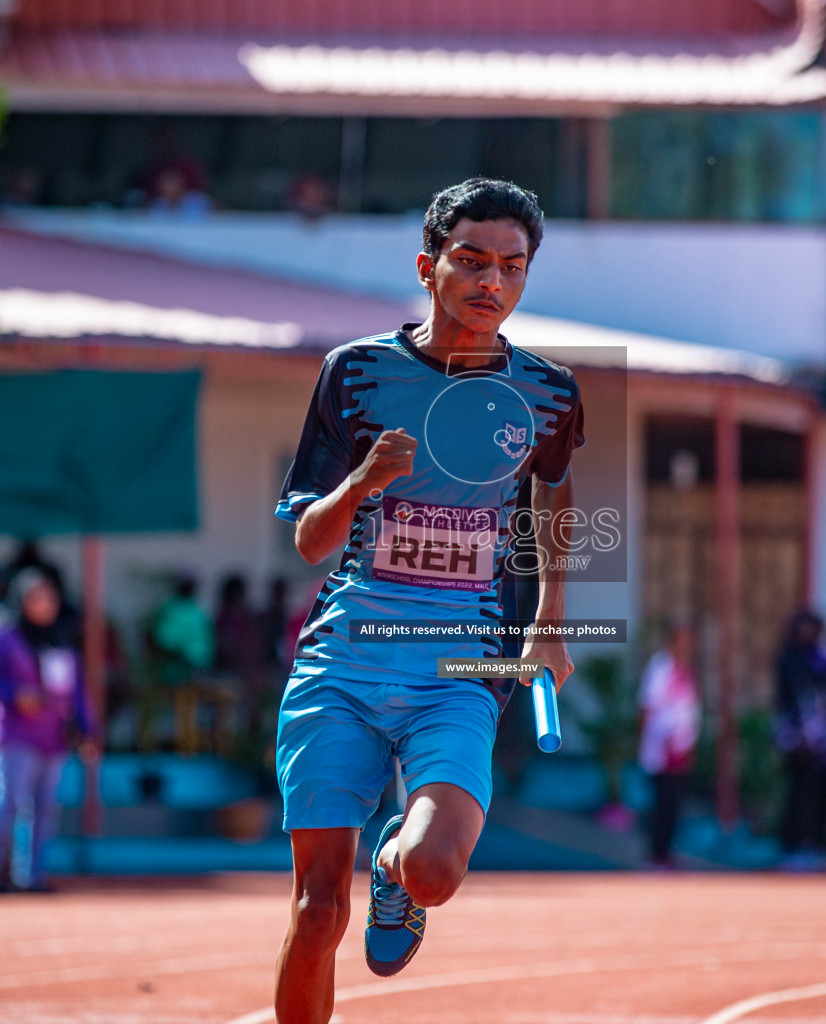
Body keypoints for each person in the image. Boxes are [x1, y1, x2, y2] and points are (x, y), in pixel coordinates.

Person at [270, 177, 583, 1018]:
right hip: (343, 661)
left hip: (459, 663)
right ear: (428, 265)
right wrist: (363, 483)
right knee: (316, 913)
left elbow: (551, 508)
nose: (493, 283)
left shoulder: (548, 392)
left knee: (435, 871)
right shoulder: (357, 374)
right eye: (472, 261)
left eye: (512, 268)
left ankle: (394, 869)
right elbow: (308, 539)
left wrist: (548, 626)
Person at [0, 570, 97, 894]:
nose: (44, 604)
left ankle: (31, 877)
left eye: (49, 597)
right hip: (14, 736)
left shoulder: (60, 639)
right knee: (5, 802)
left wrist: (88, 729)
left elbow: (76, 690)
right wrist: (15, 694)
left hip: (53, 739)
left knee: (44, 810)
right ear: (21, 601)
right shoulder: (4, 637)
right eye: (36, 597)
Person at [774, 610, 826, 857]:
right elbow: (786, 699)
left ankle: (814, 840)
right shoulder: (788, 659)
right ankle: (792, 842)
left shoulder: (822, 661)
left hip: (820, 733)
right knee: (798, 787)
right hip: (795, 731)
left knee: (820, 787)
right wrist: (797, 734)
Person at [637, 623, 701, 867]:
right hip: (661, 749)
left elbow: (689, 712)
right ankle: (656, 853)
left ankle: (666, 851)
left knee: (675, 802)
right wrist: (648, 743)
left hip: (681, 748)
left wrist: (688, 743)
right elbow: (647, 705)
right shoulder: (660, 668)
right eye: (682, 641)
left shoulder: (686, 671)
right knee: (661, 801)